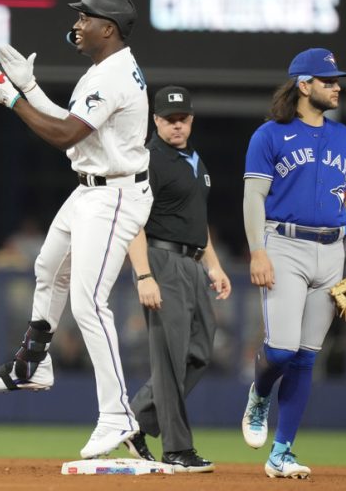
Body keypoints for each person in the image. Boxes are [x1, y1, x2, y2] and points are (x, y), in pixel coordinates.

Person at [0, 0, 153, 460]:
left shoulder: (111, 76)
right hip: (91, 188)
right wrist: (27, 90)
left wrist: (13, 102)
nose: (77, 24)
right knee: (49, 267)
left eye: (85, 18)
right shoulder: (103, 69)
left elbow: (64, 133)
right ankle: (34, 362)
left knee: (90, 302)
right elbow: (72, 125)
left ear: (107, 29)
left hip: (116, 193)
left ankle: (117, 416)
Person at [240, 48, 346, 479]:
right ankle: (259, 394)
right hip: (284, 245)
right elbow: (253, 197)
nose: (337, 86)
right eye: (328, 80)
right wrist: (257, 250)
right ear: (304, 85)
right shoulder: (270, 135)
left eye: (337, 80)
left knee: (304, 358)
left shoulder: (343, 137)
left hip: (332, 251)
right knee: (280, 350)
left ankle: (281, 453)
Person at [125, 86, 231, 472]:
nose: (176, 125)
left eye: (182, 118)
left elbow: (196, 223)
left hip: (191, 262)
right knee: (170, 359)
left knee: (199, 352)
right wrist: (144, 275)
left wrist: (213, 265)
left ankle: (133, 419)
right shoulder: (148, 158)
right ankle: (177, 449)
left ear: (191, 120)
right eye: (169, 119)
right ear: (155, 120)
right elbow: (131, 220)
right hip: (161, 259)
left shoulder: (193, 160)